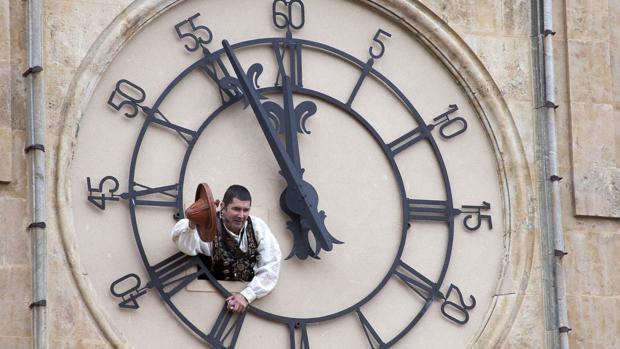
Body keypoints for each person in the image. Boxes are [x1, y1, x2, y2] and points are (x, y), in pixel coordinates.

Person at [171, 184, 282, 313]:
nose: (241, 215)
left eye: (245, 210)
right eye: (236, 209)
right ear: (223, 207)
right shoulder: (208, 227)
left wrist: (247, 295)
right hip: (206, 306)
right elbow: (187, 246)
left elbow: (271, 263)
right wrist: (192, 223)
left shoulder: (257, 227)